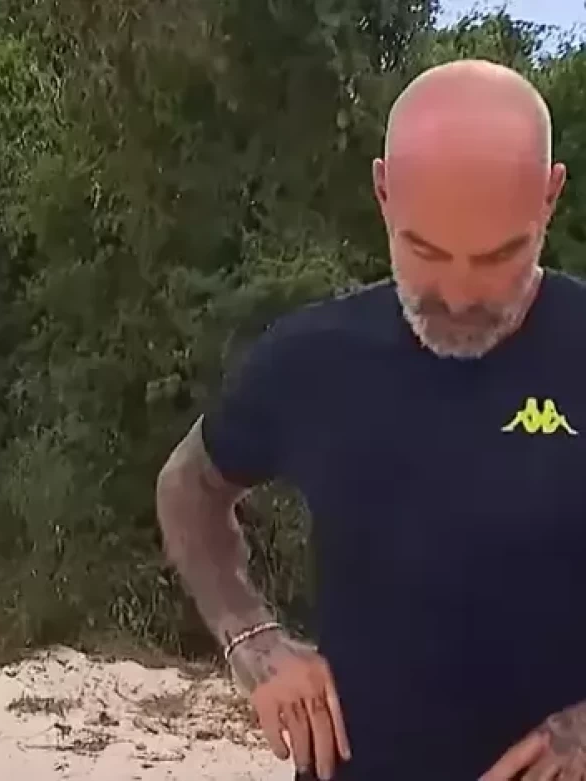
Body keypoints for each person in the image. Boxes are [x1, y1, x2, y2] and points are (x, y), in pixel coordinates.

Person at [156, 58, 586, 781]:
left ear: (550, 196)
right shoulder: (313, 356)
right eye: (425, 251)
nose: (459, 294)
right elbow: (188, 486)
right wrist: (252, 638)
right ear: (383, 192)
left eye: (500, 257)